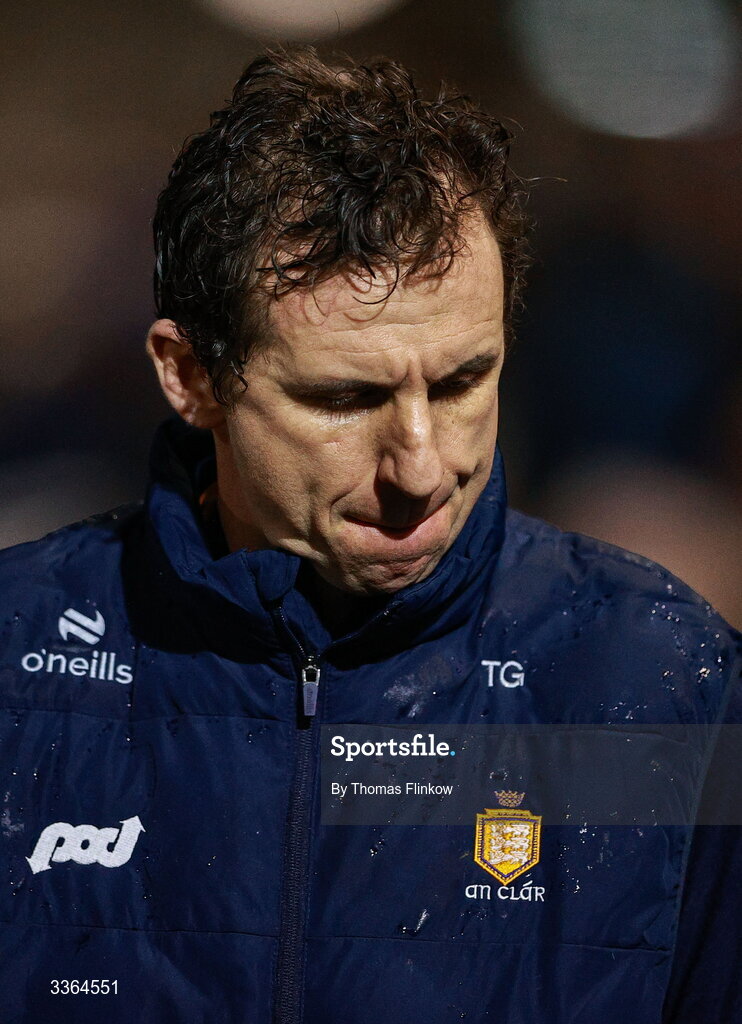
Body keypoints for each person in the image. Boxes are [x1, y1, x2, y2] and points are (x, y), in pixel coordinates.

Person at [0, 46, 739, 1024]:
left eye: (464, 379)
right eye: (345, 397)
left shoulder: (660, 681)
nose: (423, 466)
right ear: (189, 376)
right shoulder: (17, 665)